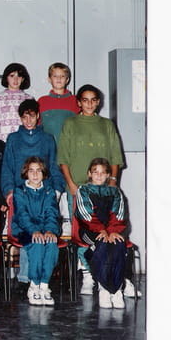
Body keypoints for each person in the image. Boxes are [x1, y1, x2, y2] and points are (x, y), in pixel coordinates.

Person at [58, 84, 124, 295]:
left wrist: (112, 180)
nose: (89, 103)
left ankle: (106, 277)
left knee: (106, 232)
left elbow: (115, 155)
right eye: (84, 100)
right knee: (83, 233)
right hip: (78, 188)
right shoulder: (70, 123)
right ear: (78, 102)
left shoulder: (107, 124)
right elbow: (63, 157)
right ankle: (88, 274)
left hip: (104, 189)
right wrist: (71, 184)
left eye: (93, 100)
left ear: (98, 102)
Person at [0, 99, 65, 289]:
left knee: (45, 233)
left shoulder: (47, 139)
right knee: (27, 229)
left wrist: (57, 190)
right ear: (20, 118)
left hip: (43, 193)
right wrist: (9, 190)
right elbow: (7, 167)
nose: (28, 121)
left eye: (32, 116)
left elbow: (53, 165)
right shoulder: (13, 139)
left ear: (38, 116)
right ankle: (26, 280)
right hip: (21, 194)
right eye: (24, 117)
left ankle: (40, 282)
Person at [73, 158, 128, 309]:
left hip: (111, 230)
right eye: (95, 172)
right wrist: (102, 230)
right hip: (89, 230)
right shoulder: (83, 190)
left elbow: (119, 214)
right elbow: (85, 214)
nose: (99, 175)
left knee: (118, 243)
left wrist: (112, 231)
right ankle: (104, 288)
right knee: (102, 243)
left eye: (103, 173)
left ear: (108, 175)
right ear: (89, 174)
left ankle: (116, 290)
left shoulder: (115, 192)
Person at [11, 156, 60, 306]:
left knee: (51, 244)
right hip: (25, 230)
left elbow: (52, 213)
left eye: (38, 170)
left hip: (45, 229)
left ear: (44, 173)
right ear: (26, 173)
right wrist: (33, 231)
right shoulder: (20, 191)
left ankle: (44, 285)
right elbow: (22, 215)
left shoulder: (49, 191)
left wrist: (50, 230)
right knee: (37, 244)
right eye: (31, 170)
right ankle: (34, 284)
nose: (35, 174)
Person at [0, 62, 34, 142]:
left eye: (19, 76)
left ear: (23, 79)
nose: (15, 79)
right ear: (6, 78)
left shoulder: (29, 99)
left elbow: (32, 122)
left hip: (23, 142)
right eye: (12, 76)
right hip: (2, 141)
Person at [37, 62, 79, 144]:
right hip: (47, 146)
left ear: (67, 80)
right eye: (55, 76)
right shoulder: (42, 101)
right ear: (49, 79)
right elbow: (37, 126)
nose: (59, 79)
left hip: (69, 146)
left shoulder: (75, 100)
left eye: (62, 76)